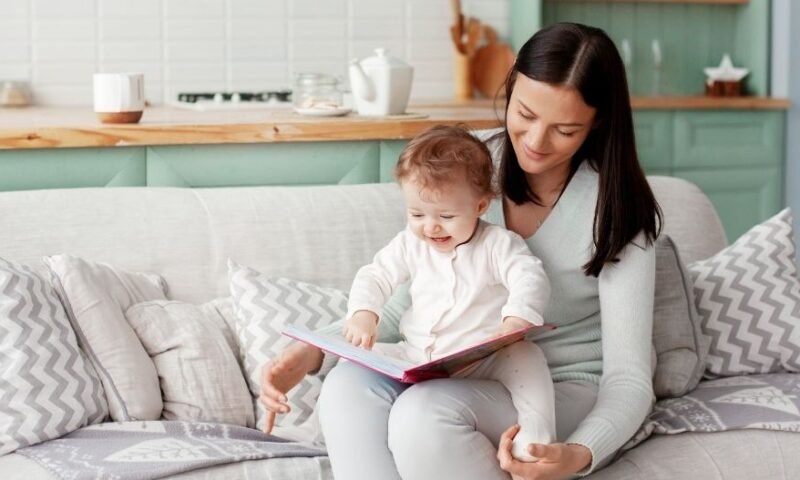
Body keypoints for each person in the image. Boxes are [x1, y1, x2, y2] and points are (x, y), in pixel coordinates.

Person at [259, 21, 662, 480]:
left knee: (423, 414)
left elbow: (630, 379)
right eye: (525, 114)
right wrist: (316, 350)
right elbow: (411, 300)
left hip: (558, 388)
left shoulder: (619, 211)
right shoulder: (467, 163)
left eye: (565, 130)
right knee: (347, 386)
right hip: (459, 370)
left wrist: (580, 454)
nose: (535, 141)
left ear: (597, 123)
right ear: (509, 89)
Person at [342, 124, 555, 462]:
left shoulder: (497, 244)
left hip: (484, 360)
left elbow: (528, 275)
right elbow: (375, 275)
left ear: (481, 205)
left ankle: (536, 437)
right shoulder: (411, 244)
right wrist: (364, 313)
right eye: (417, 214)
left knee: (528, 359)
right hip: (419, 356)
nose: (431, 226)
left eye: (446, 215)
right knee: (352, 366)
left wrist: (517, 318)